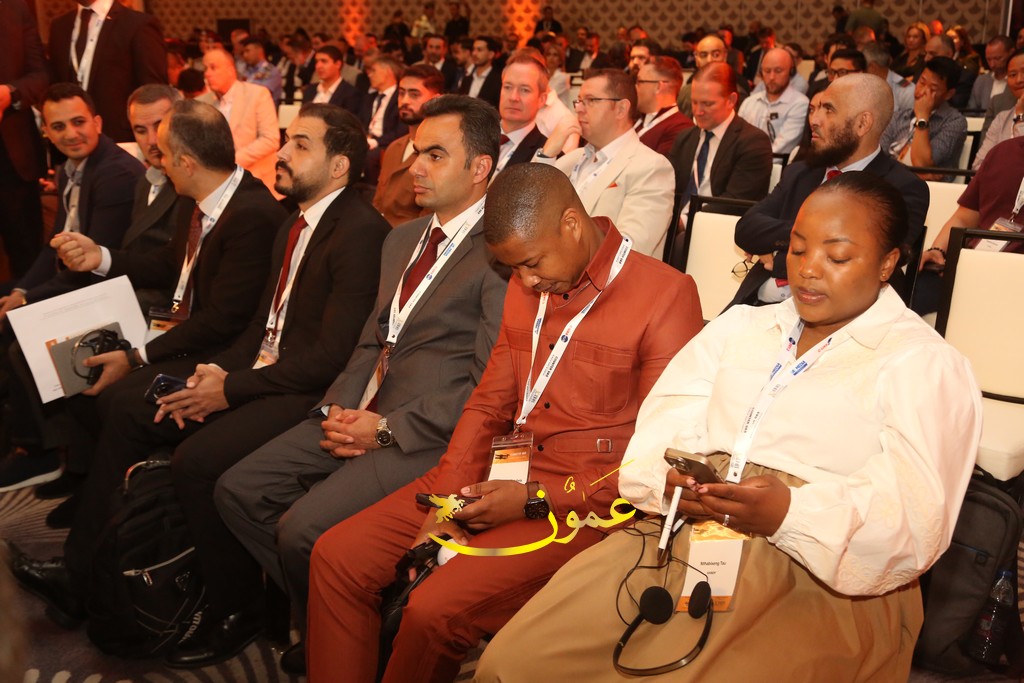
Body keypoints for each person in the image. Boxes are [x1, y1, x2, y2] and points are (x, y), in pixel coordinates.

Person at [476, 171, 982, 683]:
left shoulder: (923, 364)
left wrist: (790, 512)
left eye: (837, 257)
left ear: (888, 263)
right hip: (681, 537)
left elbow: (915, 517)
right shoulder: (742, 328)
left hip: (815, 575)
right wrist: (667, 479)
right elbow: (660, 430)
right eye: (798, 249)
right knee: (512, 663)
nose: (808, 270)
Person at [305, 161, 703, 683]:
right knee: (336, 557)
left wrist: (536, 499)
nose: (526, 281)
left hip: (590, 502)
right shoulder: (528, 283)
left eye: (531, 264)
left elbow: (654, 459)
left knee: (433, 608)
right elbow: (489, 404)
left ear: (571, 223)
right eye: (514, 269)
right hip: (498, 474)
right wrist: (445, 500)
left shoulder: (665, 294)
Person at [54, 104, 388, 668]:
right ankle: (103, 569)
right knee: (149, 403)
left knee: (198, 461)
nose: (282, 153)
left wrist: (230, 388)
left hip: (310, 392)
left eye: (300, 145)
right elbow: (261, 327)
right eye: (287, 140)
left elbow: (330, 358)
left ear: (339, 167)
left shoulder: (359, 232)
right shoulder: (295, 222)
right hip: (265, 372)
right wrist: (212, 376)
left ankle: (238, 609)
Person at [216, 95, 509, 675]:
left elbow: (489, 384)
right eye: (415, 152)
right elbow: (374, 340)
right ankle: (342, 616)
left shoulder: (500, 254)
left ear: (480, 167)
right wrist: (334, 409)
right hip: (361, 407)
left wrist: (386, 428)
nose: (414, 167)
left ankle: (347, 631)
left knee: (302, 530)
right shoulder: (401, 238)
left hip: (424, 432)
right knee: (239, 490)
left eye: (434, 155)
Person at [10, 98, 286, 631]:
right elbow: (168, 268)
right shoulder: (198, 199)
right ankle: (100, 509)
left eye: (161, 152)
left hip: (224, 355)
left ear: (186, 161)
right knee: (80, 373)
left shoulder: (252, 215)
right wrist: (100, 257)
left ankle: (83, 572)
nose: (153, 161)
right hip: (179, 333)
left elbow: (225, 322)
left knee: (125, 405)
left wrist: (138, 356)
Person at [731, 73, 928, 308]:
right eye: (815, 109)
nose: (814, 120)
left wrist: (778, 252)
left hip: (839, 317)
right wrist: (812, 240)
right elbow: (746, 229)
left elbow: (872, 264)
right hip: (756, 303)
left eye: (829, 110)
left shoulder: (903, 187)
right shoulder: (801, 172)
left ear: (862, 123)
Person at [0, 84, 142, 323]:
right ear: (46, 131)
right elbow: (54, 245)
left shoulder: (117, 174)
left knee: (10, 325)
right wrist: (20, 291)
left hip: (104, 293)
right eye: (58, 127)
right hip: (70, 281)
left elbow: (92, 265)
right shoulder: (68, 169)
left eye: (78, 122)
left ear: (97, 123)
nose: (71, 134)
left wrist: (26, 301)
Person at [534, 69, 675, 258]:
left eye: (591, 100)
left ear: (621, 109)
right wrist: (547, 154)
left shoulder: (651, 167)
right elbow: (525, 210)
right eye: (579, 101)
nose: (579, 109)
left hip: (603, 274)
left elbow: (630, 249)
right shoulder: (572, 159)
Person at [668, 62, 773, 259]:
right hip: (676, 224)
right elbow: (667, 186)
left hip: (719, 228)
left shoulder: (752, 141)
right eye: (694, 102)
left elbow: (735, 202)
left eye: (707, 104)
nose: (698, 111)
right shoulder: (685, 138)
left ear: (731, 100)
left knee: (679, 242)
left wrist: (683, 221)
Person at [916, 134, 1024, 314]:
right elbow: (964, 218)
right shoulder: (1003, 152)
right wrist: (938, 250)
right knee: (908, 291)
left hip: (1014, 280)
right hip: (970, 266)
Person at [48, 0, 166, 142]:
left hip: (122, 139)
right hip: (73, 139)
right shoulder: (59, 26)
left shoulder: (137, 24)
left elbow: (154, 90)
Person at [0, 0, 49, 282]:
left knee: (27, 258)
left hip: (13, 162)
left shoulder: (15, 10)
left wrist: (10, 93)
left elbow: (41, 75)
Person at [198, 48, 281, 194]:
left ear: (231, 69)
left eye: (213, 67)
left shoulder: (257, 94)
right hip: (214, 182)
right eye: (205, 69)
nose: (207, 74)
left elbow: (270, 139)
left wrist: (231, 162)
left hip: (256, 179)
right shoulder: (202, 102)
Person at [373, 65, 444, 226]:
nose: (405, 101)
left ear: (435, 100)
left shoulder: (439, 154)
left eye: (414, 94)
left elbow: (429, 219)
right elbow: (377, 203)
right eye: (401, 93)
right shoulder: (394, 147)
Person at [880, 56, 967, 177]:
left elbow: (921, 164)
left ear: (949, 94)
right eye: (922, 82)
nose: (923, 91)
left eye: (933, 88)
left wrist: (922, 117)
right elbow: (877, 159)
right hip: (887, 182)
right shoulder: (899, 116)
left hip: (928, 188)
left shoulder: (954, 122)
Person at [737, 47, 809, 156]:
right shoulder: (749, 102)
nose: (771, 77)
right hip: (745, 161)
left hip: (777, 164)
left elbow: (781, 148)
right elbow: (737, 139)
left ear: (791, 71)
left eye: (778, 71)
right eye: (767, 71)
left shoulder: (800, 104)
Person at [492, 51, 549, 179]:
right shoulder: (476, 137)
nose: (513, 97)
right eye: (507, 87)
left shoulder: (547, 155)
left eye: (524, 90)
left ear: (542, 99)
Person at [971, 49, 1024, 169]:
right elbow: (978, 166)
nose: (1019, 80)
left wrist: (1020, 117)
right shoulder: (1002, 118)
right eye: (1012, 75)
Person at [634, 56, 693, 156]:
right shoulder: (636, 120)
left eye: (639, 82)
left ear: (658, 86)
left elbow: (657, 165)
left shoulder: (681, 128)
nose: (635, 87)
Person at [303, 45, 363, 115]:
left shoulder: (350, 94)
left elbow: (347, 120)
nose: (318, 66)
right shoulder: (310, 90)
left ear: (338, 64)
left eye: (324, 61)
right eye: (316, 62)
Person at [863, 41, 915, 114]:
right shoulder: (863, 86)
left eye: (863, 66)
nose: (861, 71)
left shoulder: (905, 90)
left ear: (872, 67)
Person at [968, 36, 1014, 111]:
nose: (992, 64)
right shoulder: (981, 81)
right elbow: (971, 111)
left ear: (1011, 53)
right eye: (988, 59)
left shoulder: (1018, 80)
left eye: (997, 58)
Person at [459, 35, 502, 107]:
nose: (474, 53)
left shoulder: (498, 81)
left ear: (491, 54)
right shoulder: (467, 78)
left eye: (479, 50)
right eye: (473, 49)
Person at [238, 37, 283, 106]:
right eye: (243, 52)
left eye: (248, 51)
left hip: (265, 110)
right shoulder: (246, 71)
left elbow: (260, 94)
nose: (245, 55)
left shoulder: (271, 71)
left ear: (259, 50)